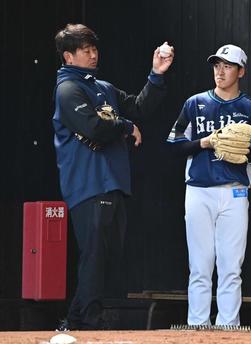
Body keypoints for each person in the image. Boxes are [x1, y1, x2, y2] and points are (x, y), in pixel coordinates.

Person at [53, 23, 174, 330]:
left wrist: (156, 74)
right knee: (94, 255)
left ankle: (76, 320)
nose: (93, 55)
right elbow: (93, 127)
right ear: (69, 56)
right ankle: (88, 321)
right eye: (85, 51)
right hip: (87, 183)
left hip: (113, 182)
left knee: (105, 256)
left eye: (94, 49)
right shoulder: (68, 89)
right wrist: (124, 126)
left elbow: (139, 107)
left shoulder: (102, 87)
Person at [167, 44, 251, 326]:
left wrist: (241, 145)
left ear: (241, 71)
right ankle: (198, 324)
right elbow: (173, 145)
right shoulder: (195, 103)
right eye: (216, 65)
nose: (220, 71)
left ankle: (228, 326)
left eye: (227, 66)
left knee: (230, 267)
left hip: (234, 191)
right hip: (199, 190)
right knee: (199, 266)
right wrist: (205, 142)